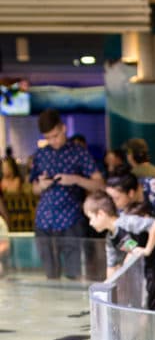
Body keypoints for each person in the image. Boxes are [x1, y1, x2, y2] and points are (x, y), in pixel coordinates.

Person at [29, 109, 104, 280]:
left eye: (55, 135)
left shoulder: (79, 152)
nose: (52, 141)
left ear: (63, 128)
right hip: (44, 221)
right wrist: (41, 185)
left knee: (74, 274)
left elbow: (99, 184)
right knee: (50, 275)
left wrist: (76, 179)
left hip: (71, 221)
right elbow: (33, 188)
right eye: (47, 138)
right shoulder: (41, 154)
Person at [83, 190, 155, 312]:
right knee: (150, 310)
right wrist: (105, 288)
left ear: (101, 214)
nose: (90, 223)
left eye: (91, 218)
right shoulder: (110, 238)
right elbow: (112, 266)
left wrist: (147, 250)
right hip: (147, 272)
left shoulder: (126, 222)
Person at [105, 170, 155, 249]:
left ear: (131, 193)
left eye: (116, 198)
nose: (111, 203)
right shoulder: (119, 206)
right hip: (146, 240)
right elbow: (123, 236)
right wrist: (132, 252)